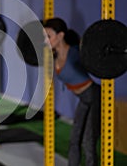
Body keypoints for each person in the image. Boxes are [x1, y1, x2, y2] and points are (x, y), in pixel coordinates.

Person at [43, 17, 101, 166]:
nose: (45, 41)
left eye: (48, 36)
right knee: (74, 140)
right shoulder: (53, 57)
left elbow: (98, 62)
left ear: (60, 35)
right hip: (83, 99)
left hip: (94, 96)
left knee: (88, 142)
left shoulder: (76, 53)